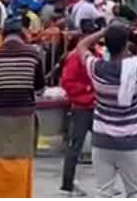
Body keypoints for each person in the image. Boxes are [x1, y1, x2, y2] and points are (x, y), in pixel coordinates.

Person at [80, 24, 137, 198]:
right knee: (135, 191)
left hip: (102, 139)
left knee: (104, 191)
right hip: (130, 140)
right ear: (126, 45)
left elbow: (81, 47)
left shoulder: (96, 68)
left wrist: (103, 32)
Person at [0, 17, 44, 197]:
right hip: (24, 116)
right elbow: (39, 85)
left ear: (3, 35)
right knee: (22, 159)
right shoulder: (33, 55)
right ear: (22, 35)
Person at [59, 35, 95, 196]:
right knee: (74, 147)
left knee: (103, 148)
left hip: (95, 105)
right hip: (82, 107)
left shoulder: (95, 55)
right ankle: (67, 183)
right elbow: (68, 82)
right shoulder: (74, 57)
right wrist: (88, 90)